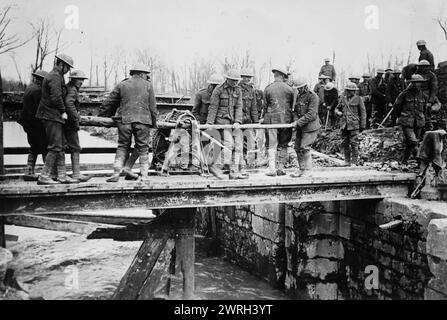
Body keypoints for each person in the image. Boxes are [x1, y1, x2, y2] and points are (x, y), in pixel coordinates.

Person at [98, 63, 158, 182]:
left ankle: (116, 173)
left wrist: (102, 117)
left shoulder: (122, 84)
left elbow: (109, 102)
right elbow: (153, 107)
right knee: (143, 147)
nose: (147, 77)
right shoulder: (148, 86)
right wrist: (154, 123)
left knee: (122, 146)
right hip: (143, 121)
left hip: (124, 120)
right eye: (146, 75)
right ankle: (144, 176)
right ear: (141, 74)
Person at [36, 53, 78, 185]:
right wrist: (63, 111)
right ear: (61, 64)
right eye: (68, 67)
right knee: (55, 146)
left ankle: (62, 175)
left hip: (53, 115)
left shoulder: (57, 76)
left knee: (59, 145)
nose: (68, 70)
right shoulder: (54, 76)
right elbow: (56, 97)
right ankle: (44, 175)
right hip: (51, 115)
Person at [206, 69, 246, 180]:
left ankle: (233, 172)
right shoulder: (218, 90)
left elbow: (238, 106)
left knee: (238, 146)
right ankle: (216, 167)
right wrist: (210, 123)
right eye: (233, 80)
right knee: (229, 144)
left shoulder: (238, 90)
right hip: (222, 121)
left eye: (237, 81)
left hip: (233, 122)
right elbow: (213, 107)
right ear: (227, 79)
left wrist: (238, 121)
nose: (235, 83)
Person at [262, 67, 295, 176]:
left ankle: (271, 169)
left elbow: (265, 105)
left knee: (271, 144)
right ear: (283, 77)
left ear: (276, 76)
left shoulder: (268, 88)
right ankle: (281, 168)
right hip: (286, 120)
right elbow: (292, 106)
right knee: (284, 144)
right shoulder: (290, 89)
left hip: (271, 120)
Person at [18, 70, 48, 181]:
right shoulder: (39, 91)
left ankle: (29, 171)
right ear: (42, 80)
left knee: (34, 146)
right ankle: (47, 173)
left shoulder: (29, 88)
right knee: (45, 146)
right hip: (35, 123)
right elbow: (40, 109)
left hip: (27, 123)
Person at [393, 74, 428, 165]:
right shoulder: (404, 94)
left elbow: (425, 110)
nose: (417, 85)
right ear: (411, 83)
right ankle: (421, 162)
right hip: (406, 121)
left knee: (410, 144)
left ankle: (404, 161)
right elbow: (396, 107)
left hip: (419, 122)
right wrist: (398, 117)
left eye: (419, 83)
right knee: (413, 141)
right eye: (415, 83)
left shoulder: (423, 95)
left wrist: (426, 121)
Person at [64, 70, 91, 182]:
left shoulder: (68, 87)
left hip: (65, 122)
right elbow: (68, 103)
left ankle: (62, 173)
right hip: (69, 124)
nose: (81, 82)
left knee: (63, 147)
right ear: (73, 79)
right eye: (79, 79)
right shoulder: (72, 90)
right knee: (75, 147)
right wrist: (76, 117)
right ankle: (76, 174)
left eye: (82, 80)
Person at [290, 78, 320, 177]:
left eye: (300, 88)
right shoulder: (298, 96)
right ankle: (301, 169)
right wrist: (295, 120)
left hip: (310, 127)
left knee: (305, 148)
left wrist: (298, 122)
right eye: (297, 89)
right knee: (297, 148)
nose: (299, 90)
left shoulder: (313, 96)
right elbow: (294, 111)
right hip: (300, 127)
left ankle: (308, 171)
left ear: (305, 86)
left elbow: (312, 114)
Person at [335, 83, 366, 166]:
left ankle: (354, 162)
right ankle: (347, 161)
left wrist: (362, 125)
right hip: (344, 125)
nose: (350, 92)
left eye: (352, 91)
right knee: (345, 143)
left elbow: (363, 113)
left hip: (354, 125)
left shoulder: (359, 99)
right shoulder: (342, 98)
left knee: (354, 143)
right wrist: (338, 112)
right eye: (349, 90)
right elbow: (337, 108)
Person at [239, 69, 259, 170]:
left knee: (251, 142)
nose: (247, 79)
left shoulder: (252, 90)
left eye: (249, 77)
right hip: (238, 121)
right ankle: (240, 162)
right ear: (241, 77)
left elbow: (254, 107)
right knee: (238, 142)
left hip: (248, 121)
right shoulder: (236, 88)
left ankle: (251, 163)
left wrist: (255, 122)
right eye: (245, 77)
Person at [416, 59, 439, 131]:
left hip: (426, 97)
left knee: (427, 116)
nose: (422, 68)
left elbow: (434, 89)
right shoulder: (416, 74)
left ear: (427, 67)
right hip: (417, 97)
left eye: (424, 66)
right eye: (421, 66)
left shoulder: (431, 75)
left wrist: (430, 101)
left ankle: (428, 131)